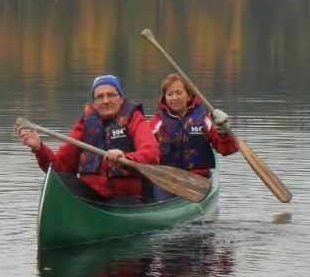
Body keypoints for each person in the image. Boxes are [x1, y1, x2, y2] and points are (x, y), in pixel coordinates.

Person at [16, 74, 160, 201]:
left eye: (111, 95)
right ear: (94, 104)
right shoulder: (85, 123)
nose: (105, 101)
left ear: (121, 99)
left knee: (123, 203)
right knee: (61, 181)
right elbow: (61, 167)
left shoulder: (134, 119)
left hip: (125, 197)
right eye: (100, 97)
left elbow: (152, 154)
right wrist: (39, 148)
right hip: (91, 194)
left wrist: (125, 158)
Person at [149, 72, 238, 177]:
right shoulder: (157, 122)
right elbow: (145, 148)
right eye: (170, 94)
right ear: (165, 98)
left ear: (189, 96)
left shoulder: (205, 119)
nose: (174, 98)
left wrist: (224, 132)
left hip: (199, 179)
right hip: (166, 178)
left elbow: (227, 150)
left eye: (179, 93)